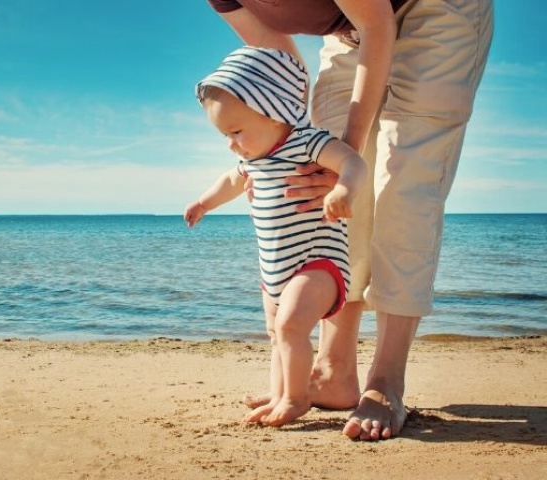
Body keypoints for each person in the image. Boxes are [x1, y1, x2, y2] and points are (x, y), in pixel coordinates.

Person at [205, 0, 494, 440]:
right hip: (349, 29)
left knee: (401, 186)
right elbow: (279, 62)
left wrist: (344, 160)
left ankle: (386, 382)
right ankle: (334, 369)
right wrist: (287, 153)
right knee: (316, 187)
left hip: (436, 8)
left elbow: (377, 24)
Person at [184, 46, 367, 427]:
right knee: (276, 333)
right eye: (225, 135)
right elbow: (230, 181)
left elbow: (352, 161)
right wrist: (204, 202)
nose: (231, 143)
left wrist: (343, 190)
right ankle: (282, 391)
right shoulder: (252, 159)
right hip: (275, 267)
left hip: (319, 261)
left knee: (290, 327)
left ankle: (297, 399)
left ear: (275, 112)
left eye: (235, 131)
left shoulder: (307, 143)